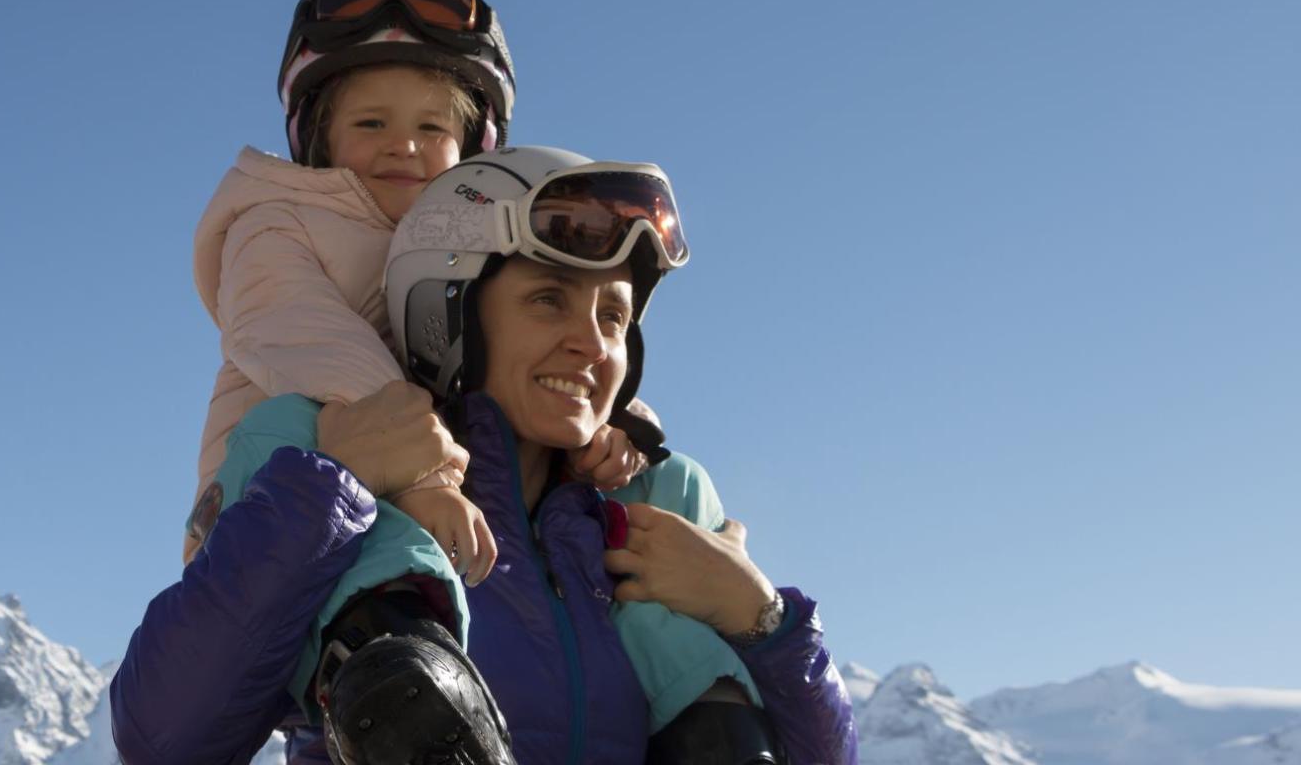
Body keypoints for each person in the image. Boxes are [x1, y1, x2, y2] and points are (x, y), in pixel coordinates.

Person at [116, 147, 858, 764]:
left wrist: (761, 619)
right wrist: (331, 487)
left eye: (613, 316)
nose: (592, 344)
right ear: (448, 313)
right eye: (548, 300)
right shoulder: (309, 443)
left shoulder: (646, 511)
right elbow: (164, 737)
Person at [184, 0, 661, 581]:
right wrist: (423, 472)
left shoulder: (468, 249)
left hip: (426, 484)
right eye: (371, 124)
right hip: (271, 503)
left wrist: (615, 417)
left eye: (431, 127)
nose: (403, 146)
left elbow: (531, 345)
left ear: (472, 151)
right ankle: (389, 640)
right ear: (320, 140)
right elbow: (307, 333)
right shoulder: (277, 224)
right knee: (316, 439)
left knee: (650, 496)